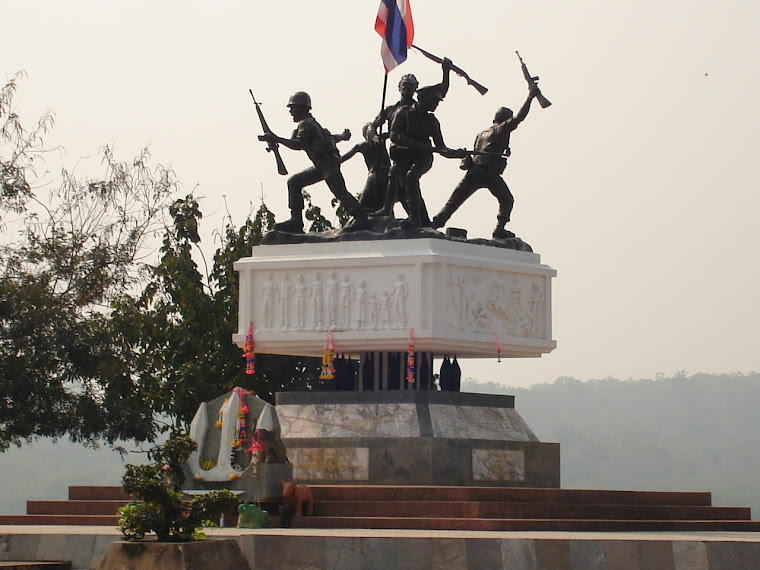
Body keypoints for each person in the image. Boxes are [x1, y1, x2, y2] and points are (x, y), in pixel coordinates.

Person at [432, 85, 538, 239]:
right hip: (488, 172)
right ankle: (499, 229)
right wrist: (530, 97)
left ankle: (435, 222)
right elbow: (520, 117)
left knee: (454, 200)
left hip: (474, 170)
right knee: (507, 199)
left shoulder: (482, 133)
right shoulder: (501, 129)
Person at [258, 91, 369, 234]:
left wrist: (276, 138)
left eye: (294, 108)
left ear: (303, 108)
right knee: (294, 181)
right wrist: (343, 136)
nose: (291, 112)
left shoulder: (306, 124)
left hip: (327, 165)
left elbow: (299, 144)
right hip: (323, 165)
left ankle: (361, 219)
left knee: (340, 192)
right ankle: (296, 221)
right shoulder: (311, 123)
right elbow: (329, 137)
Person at [371, 59, 452, 218]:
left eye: (410, 86)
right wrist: (374, 137)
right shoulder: (393, 110)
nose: (407, 88)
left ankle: (418, 220)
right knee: (399, 184)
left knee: (409, 180)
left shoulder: (424, 113)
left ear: (416, 89)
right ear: (399, 88)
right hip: (398, 155)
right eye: (404, 85)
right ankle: (398, 212)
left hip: (417, 157)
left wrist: (446, 72)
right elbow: (373, 127)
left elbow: (440, 92)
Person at [387, 86, 464, 227]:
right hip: (404, 156)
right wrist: (417, 144)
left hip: (423, 157)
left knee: (412, 177)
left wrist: (455, 153)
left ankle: (414, 218)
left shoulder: (432, 121)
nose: (436, 104)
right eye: (434, 100)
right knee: (404, 188)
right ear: (422, 97)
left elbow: (441, 147)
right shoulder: (403, 113)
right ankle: (423, 220)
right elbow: (395, 136)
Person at [340, 123, 390, 213]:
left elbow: (343, 158)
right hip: (388, 174)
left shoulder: (363, 145)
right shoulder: (381, 139)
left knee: (361, 207)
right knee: (383, 204)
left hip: (375, 175)